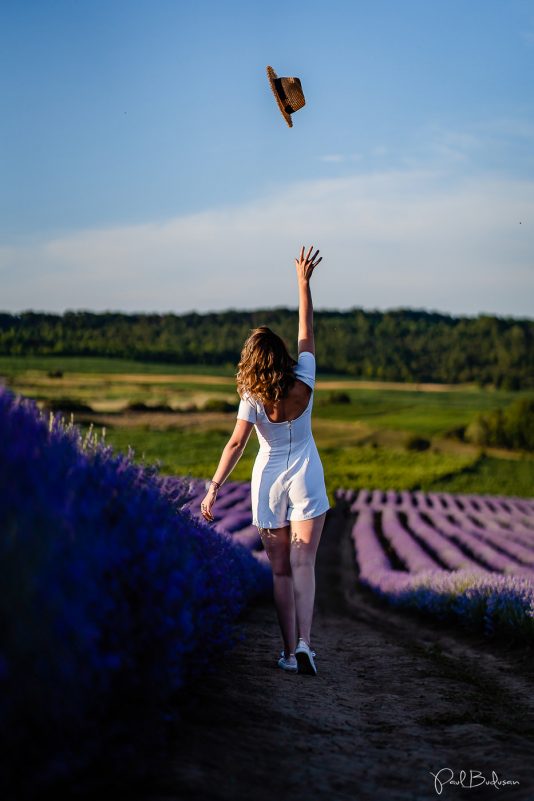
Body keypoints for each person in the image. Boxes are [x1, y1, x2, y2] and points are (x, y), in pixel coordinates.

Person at [200, 245, 330, 675]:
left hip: (269, 478)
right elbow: (307, 330)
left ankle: (289, 653)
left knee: (280, 573)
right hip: (307, 470)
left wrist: (214, 487)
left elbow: (236, 443)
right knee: (305, 563)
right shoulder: (305, 379)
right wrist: (303, 283)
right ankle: (308, 643)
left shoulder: (252, 395)